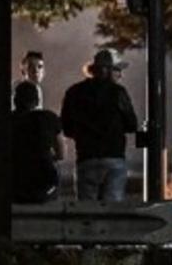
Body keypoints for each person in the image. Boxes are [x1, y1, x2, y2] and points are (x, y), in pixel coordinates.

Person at [60, 49, 139, 202]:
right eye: (117, 70)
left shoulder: (74, 92)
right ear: (107, 71)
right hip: (114, 158)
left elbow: (67, 128)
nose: (120, 75)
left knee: (87, 214)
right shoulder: (118, 92)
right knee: (111, 211)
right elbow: (131, 125)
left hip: (86, 158)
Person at [11, 81, 62, 203]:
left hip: (16, 183)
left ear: (15, 100)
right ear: (37, 100)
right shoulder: (48, 118)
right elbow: (61, 153)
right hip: (45, 183)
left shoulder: (9, 120)